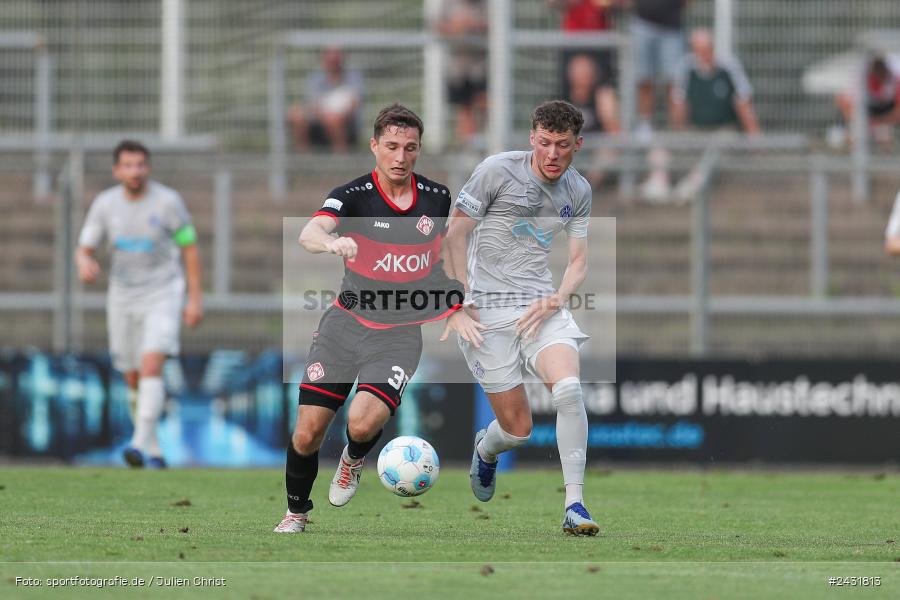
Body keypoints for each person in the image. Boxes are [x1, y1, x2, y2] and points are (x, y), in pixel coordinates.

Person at [274, 104, 484, 534]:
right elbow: (310, 232)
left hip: (398, 335)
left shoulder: (436, 198)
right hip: (343, 327)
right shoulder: (353, 196)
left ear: (418, 150)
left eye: (410, 148)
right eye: (391, 146)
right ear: (374, 146)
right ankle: (296, 513)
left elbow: (442, 258)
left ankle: (352, 459)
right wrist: (332, 245)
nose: (400, 156)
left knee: (363, 421)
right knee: (308, 433)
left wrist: (456, 303)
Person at [442, 100, 599, 536]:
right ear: (532, 138)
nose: (552, 154)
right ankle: (487, 450)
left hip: (538, 306)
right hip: (486, 311)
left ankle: (575, 505)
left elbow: (579, 260)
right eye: (545, 143)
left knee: (568, 390)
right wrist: (457, 302)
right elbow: (454, 234)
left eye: (562, 145)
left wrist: (558, 298)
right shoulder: (496, 170)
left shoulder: (579, 191)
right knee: (518, 430)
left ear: (577, 145)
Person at [76, 140, 204, 468]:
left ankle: (136, 443)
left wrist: (194, 298)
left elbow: (189, 247)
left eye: (141, 165)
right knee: (132, 376)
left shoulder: (167, 202)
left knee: (151, 364)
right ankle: (153, 445)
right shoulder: (105, 204)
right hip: (122, 297)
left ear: (148, 168)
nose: (135, 171)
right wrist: (84, 262)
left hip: (163, 293)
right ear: (117, 170)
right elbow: (85, 247)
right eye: (128, 165)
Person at [642, 28, 760, 203]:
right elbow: (679, 105)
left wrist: (755, 139)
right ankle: (659, 184)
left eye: (707, 49)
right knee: (661, 143)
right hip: (695, 130)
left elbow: (743, 103)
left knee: (720, 144)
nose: (704, 54)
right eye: (699, 49)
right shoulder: (686, 68)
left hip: (723, 131)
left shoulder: (728, 66)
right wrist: (679, 133)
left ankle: (692, 187)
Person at [429, 0, 489, 145]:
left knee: (484, 103)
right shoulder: (447, 4)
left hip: (481, 65)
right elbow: (437, 26)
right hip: (457, 66)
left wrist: (473, 26)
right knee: (464, 109)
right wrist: (455, 27)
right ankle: (468, 146)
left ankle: (485, 142)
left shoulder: (486, 5)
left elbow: (497, 26)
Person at [548, 0, 621, 113]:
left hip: (601, 43)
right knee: (569, 96)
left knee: (604, 94)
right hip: (574, 41)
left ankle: (600, 125)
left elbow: (626, 3)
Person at [287, 47, 365, 153]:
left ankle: (341, 159)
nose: (333, 61)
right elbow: (313, 105)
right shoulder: (315, 79)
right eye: (329, 58)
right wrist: (324, 116)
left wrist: (333, 116)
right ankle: (304, 158)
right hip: (319, 119)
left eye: (336, 58)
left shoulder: (353, 77)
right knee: (295, 114)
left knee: (333, 119)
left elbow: (354, 104)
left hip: (345, 123)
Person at [630, 0, 689, 139]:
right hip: (643, 23)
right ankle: (644, 127)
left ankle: (677, 131)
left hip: (672, 28)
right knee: (644, 79)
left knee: (675, 83)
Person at [835, 55, 900, 148]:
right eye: (878, 73)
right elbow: (843, 101)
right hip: (865, 113)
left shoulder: (895, 80)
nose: (880, 76)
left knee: (884, 135)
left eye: (882, 73)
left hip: (886, 114)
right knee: (856, 135)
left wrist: (880, 122)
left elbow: (898, 111)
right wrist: (860, 121)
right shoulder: (861, 82)